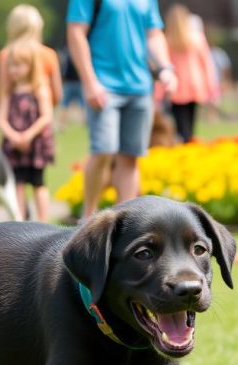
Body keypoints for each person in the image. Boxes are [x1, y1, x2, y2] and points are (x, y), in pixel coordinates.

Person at [67, 0, 177, 217]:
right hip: (103, 85)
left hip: (140, 87)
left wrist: (166, 68)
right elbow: (76, 32)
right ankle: (88, 218)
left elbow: (154, 34)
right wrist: (89, 81)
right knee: (103, 151)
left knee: (130, 157)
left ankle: (125, 221)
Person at [0, 42, 55, 223]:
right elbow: (1, 118)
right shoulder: (8, 91)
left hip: (35, 144)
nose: (13, 70)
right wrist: (13, 136)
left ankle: (43, 221)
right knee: (17, 183)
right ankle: (19, 221)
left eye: (19, 65)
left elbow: (46, 116)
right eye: (11, 65)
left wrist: (28, 135)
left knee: (38, 182)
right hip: (14, 145)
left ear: (31, 66)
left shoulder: (40, 88)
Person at [164, 4, 217, 143]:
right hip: (194, 85)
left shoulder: (167, 40)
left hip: (176, 88)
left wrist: (158, 93)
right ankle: (188, 146)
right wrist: (211, 87)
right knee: (190, 124)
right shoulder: (197, 38)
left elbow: (164, 66)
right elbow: (207, 64)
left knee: (180, 125)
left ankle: (184, 146)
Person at [0, 4, 62, 109]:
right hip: (42, 115)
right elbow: (57, 95)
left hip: (14, 116)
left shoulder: (6, 55)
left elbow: (4, 93)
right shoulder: (49, 54)